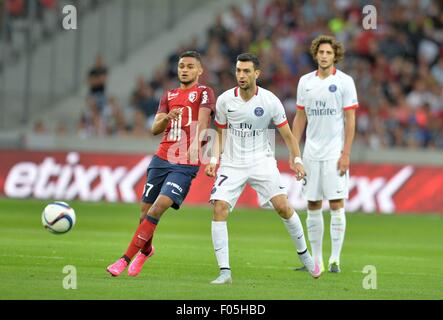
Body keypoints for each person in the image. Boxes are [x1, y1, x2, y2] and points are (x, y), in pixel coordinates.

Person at [205, 53, 322, 285]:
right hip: (232, 162)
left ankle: (306, 257)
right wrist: (213, 159)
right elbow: (219, 133)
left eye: (246, 71)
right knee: (219, 208)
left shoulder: (270, 101)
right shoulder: (225, 100)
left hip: (262, 160)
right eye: (238, 70)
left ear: (256, 74)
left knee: (283, 206)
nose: (241, 75)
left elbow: (288, 135)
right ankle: (225, 272)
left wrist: (297, 160)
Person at [106, 51, 215, 277]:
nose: (184, 69)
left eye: (190, 66)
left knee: (158, 207)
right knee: (144, 214)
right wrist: (166, 118)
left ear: (199, 70)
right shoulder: (169, 95)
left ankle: (124, 259)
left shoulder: (204, 92)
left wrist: (196, 143)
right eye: (181, 66)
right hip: (162, 158)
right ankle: (146, 251)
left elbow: (204, 119)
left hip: (185, 162)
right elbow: (154, 129)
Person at [292, 35, 358, 273]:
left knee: (337, 203)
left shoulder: (345, 82)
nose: (324, 56)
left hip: (334, 154)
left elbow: (350, 120)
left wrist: (346, 153)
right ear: (315, 54)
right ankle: (316, 260)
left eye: (328, 53)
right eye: (321, 52)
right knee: (312, 203)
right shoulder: (305, 82)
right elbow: (300, 117)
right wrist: (294, 152)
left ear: (335, 55)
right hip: (310, 153)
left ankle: (335, 259)